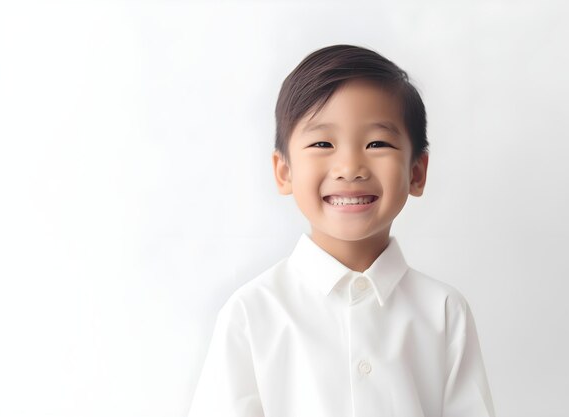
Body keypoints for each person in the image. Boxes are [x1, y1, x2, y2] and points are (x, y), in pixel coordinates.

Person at [188, 44, 495, 417]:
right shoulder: (252, 314)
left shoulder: (444, 312)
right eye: (322, 143)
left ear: (416, 172)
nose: (350, 167)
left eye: (377, 143)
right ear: (284, 171)